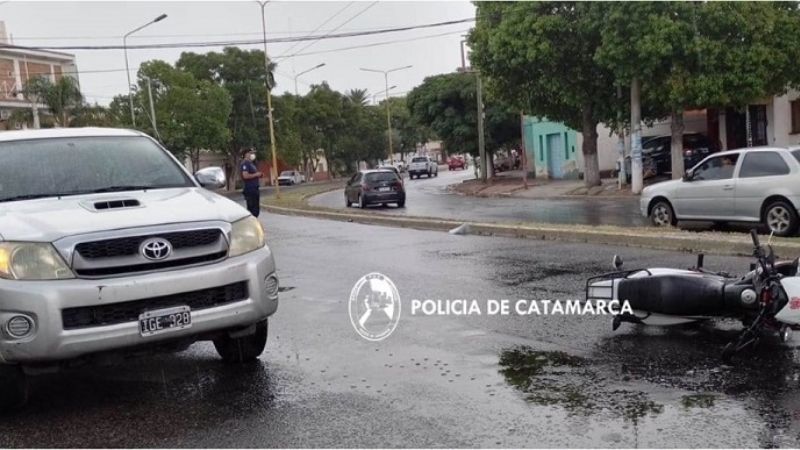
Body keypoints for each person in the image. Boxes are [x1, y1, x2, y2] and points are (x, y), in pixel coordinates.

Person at [240, 148, 263, 217]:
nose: (252, 154)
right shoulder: (245, 163)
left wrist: (259, 175)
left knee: (256, 209)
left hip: (255, 188)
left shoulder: (251, 164)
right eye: (250, 153)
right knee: (252, 209)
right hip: (250, 189)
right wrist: (256, 174)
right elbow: (245, 175)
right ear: (246, 154)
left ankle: (255, 222)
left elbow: (253, 175)